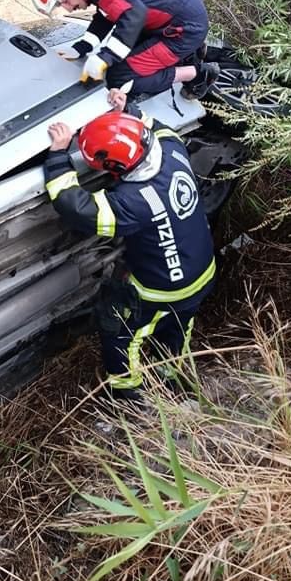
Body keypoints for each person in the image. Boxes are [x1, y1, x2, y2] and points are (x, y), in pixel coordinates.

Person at [45, 88, 216, 401]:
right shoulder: (172, 149)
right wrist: (129, 112)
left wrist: (58, 156)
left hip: (163, 288)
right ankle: (172, 376)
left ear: (116, 169)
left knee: (119, 330)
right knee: (178, 328)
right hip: (203, 270)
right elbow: (158, 128)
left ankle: (130, 397)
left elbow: (75, 206)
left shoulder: (133, 203)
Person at [30, 0, 219, 99]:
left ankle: (197, 74)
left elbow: (133, 15)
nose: (67, 8)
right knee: (123, 54)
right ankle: (188, 55)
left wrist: (106, 57)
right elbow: (109, 11)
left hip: (183, 30)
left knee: (119, 77)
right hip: (178, 15)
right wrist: (82, 47)